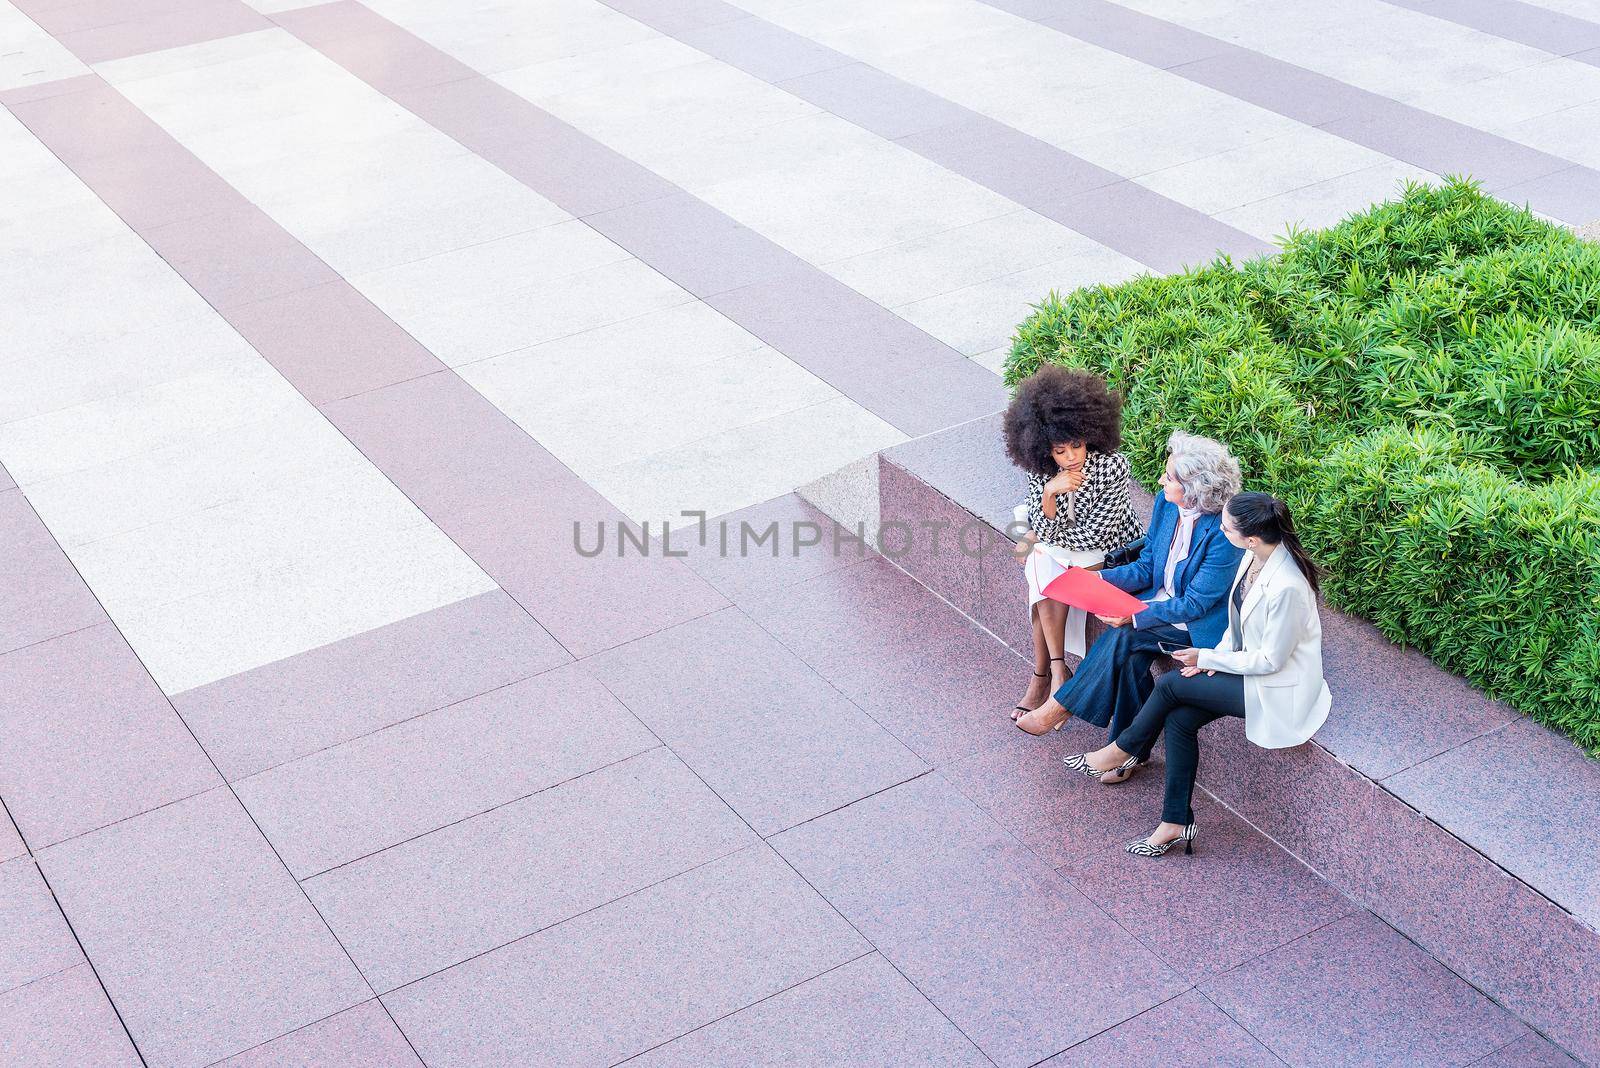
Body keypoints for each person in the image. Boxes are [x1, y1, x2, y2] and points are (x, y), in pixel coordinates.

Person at [1064, 492, 1332, 857]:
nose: (1219, 531)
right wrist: (1213, 657)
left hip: (1280, 688)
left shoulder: (1287, 586)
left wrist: (1207, 657)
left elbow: (1271, 661)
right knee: (1179, 720)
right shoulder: (1253, 557)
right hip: (1247, 669)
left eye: (1225, 527)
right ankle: (1175, 823)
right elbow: (1233, 626)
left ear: (1250, 537)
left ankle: (1123, 749)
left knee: (1172, 685)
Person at [1016, 432, 1242, 758]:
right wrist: (1093, 579)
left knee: (1125, 635)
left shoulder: (1221, 534)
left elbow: (1196, 604)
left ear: (1195, 489)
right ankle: (1127, 754)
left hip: (1196, 623)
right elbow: (1148, 567)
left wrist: (1135, 616)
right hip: (1160, 601)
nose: (1161, 479)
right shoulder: (1167, 504)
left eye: (1170, 477)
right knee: (1132, 659)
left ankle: (1061, 706)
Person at [1004, 366, 1143, 721]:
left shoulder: (1112, 467)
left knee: (1040, 563)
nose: (1071, 457)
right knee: (1042, 569)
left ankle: (1044, 676)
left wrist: (1040, 531)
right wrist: (1050, 492)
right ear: (1044, 450)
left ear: (1091, 435)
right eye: (1060, 450)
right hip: (1064, 551)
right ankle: (1056, 670)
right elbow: (1040, 519)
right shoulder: (1044, 471)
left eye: (1077, 445)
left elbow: (1093, 537)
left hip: (1107, 553)